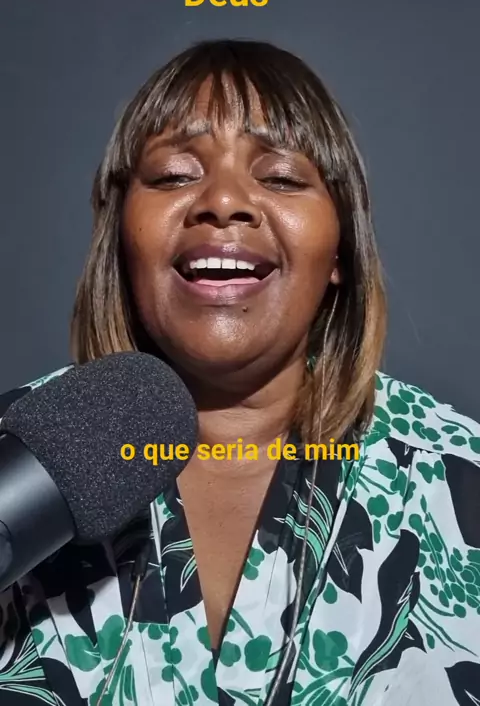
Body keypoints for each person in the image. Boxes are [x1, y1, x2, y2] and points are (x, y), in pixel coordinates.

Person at [0, 39, 479, 706]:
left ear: (341, 250)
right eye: (174, 175)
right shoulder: (13, 453)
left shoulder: (459, 479)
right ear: (121, 238)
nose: (223, 201)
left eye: (280, 177)